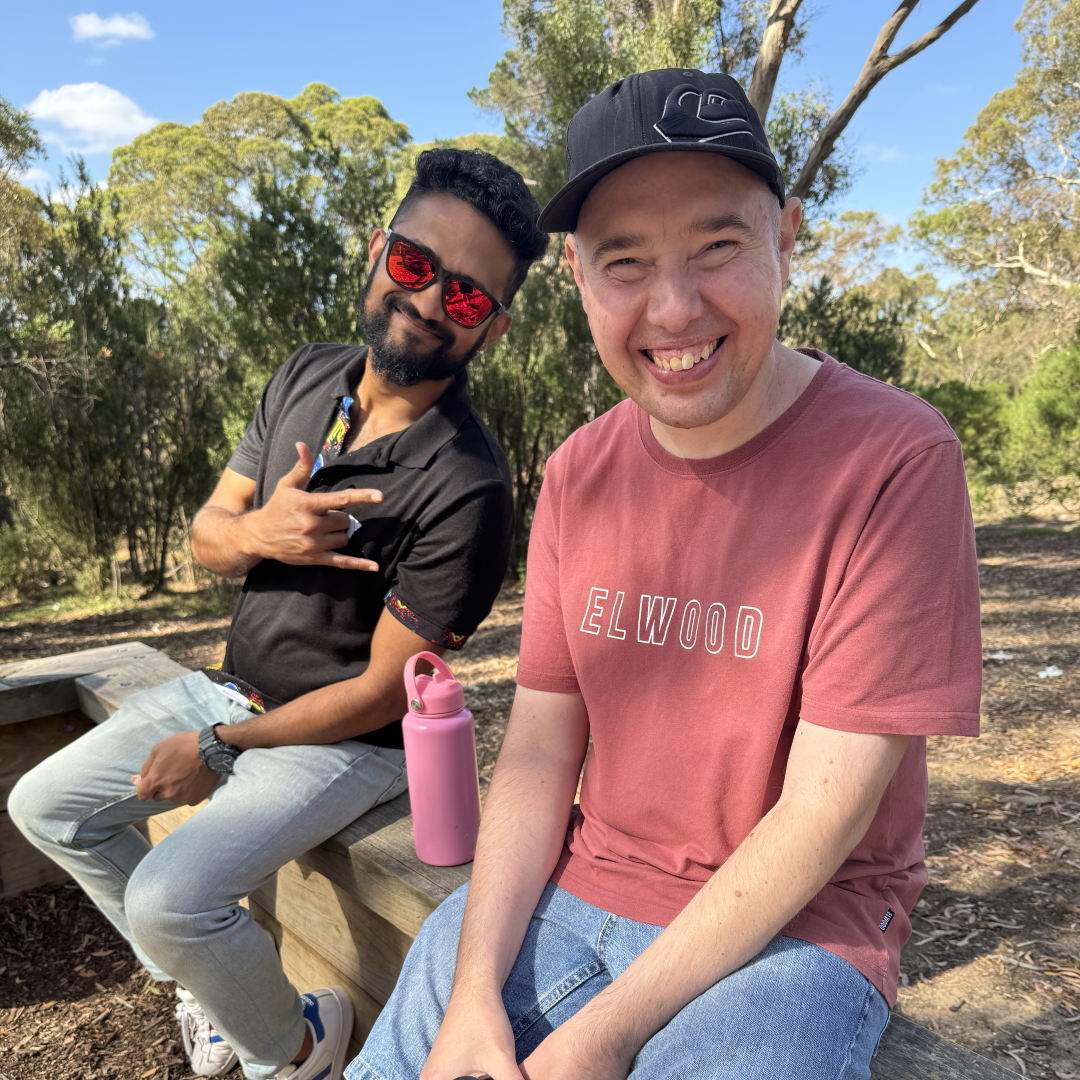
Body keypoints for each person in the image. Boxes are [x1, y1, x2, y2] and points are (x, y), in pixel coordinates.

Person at [348, 70, 983, 1080]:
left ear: (787, 238)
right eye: (626, 262)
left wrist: (599, 1042)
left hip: (798, 929)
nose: (674, 309)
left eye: (719, 247)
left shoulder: (894, 460)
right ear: (579, 276)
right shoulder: (579, 473)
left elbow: (826, 814)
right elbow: (541, 753)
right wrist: (473, 996)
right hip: (578, 884)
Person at [9, 147, 549, 1080]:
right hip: (230, 690)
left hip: (347, 750)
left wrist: (220, 747)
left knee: (170, 900)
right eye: (417, 266)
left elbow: (385, 693)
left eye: (464, 298)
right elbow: (208, 540)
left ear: (491, 330)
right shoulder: (307, 374)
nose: (427, 303)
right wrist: (268, 531)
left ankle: (295, 1052)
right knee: (44, 807)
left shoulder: (469, 483)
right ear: (379, 248)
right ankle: (218, 994)